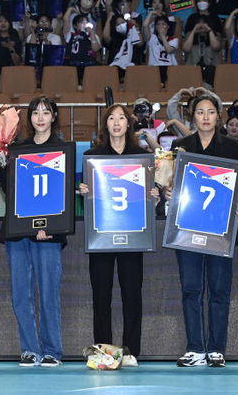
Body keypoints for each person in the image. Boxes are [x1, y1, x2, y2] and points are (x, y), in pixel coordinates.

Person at [78, 103, 159, 368]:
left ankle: (131, 350)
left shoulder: (142, 155)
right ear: (106, 124)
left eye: (121, 118)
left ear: (129, 123)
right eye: (111, 118)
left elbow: (152, 193)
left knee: (132, 294)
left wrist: (154, 195)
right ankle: (103, 349)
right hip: (102, 234)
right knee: (101, 295)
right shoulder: (93, 155)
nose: (116, 123)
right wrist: (82, 190)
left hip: (132, 233)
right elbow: (84, 195)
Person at [171, 93, 238, 368]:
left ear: (219, 115)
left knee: (218, 291)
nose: (205, 117)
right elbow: (172, 184)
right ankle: (194, 348)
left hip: (221, 232)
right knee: (191, 290)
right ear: (193, 116)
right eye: (200, 112)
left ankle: (216, 349)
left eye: (210, 112)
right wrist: (169, 189)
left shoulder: (232, 147)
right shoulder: (180, 146)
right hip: (188, 230)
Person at [0, 96, 66, 368]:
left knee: (48, 292)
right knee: (20, 293)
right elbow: (10, 189)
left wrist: (48, 225)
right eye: (35, 112)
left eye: (45, 112)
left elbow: (59, 195)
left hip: (49, 234)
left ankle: (52, 350)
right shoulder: (17, 149)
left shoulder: (62, 149)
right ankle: (29, 349)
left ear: (54, 116)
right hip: (18, 231)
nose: (40, 117)